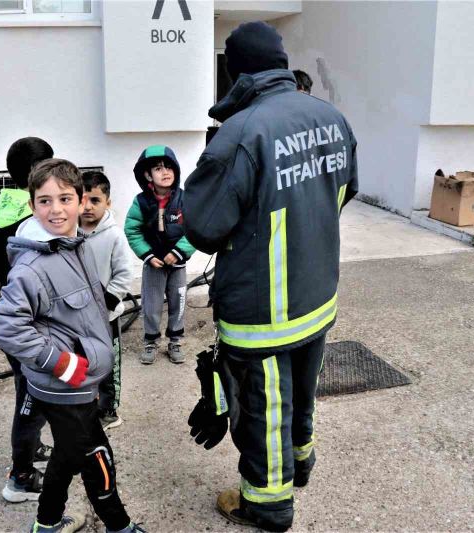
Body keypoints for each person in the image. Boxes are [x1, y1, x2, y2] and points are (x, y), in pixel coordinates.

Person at [183, 21, 358, 532]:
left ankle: (267, 503)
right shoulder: (330, 117)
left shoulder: (241, 133)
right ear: (280, 63)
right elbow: (343, 193)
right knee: (304, 389)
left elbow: (204, 227)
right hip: (317, 292)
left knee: (263, 408)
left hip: (264, 311)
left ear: (236, 72)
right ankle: (300, 463)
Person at [0, 159, 144, 533]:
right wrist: (60, 363)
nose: (56, 209)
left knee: (69, 451)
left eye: (65, 198)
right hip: (62, 384)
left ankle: (48, 523)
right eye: (45, 201)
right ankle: (118, 526)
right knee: (95, 456)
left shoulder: (76, 246)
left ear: (80, 200)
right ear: (32, 205)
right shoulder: (33, 264)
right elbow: (6, 325)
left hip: (81, 380)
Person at [0, 136, 54, 503]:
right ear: (34, 172)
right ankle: (21, 477)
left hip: (14, 313)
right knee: (32, 396)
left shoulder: (7, 204)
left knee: (26, 390)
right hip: (29, 322)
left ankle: (32, 449)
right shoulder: (33, 215)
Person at [124, 145, 196, 365]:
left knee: (178, 302)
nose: (165, 172)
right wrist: (146, 254)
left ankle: (176, 340)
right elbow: (132, 229)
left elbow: (195, 228)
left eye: (169, 168)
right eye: (158, 168)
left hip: (178, 265)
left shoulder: (185, 199)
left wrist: (179, 252)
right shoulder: (141, 202)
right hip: (153, 264)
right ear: (147, 175)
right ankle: (151, 341)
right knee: (151, 304)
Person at [80, 170, 133, 430]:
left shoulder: (114, 235)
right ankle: (83, 406)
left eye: (95, 200)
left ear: (108, 203)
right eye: (82, 199)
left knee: (108, 365)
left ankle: (109, 410)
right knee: (82, 362)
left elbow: (124, 274)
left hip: (106, 317)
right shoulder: (70, 232)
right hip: (77, 317)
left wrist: (107, 303)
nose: (87, 206)